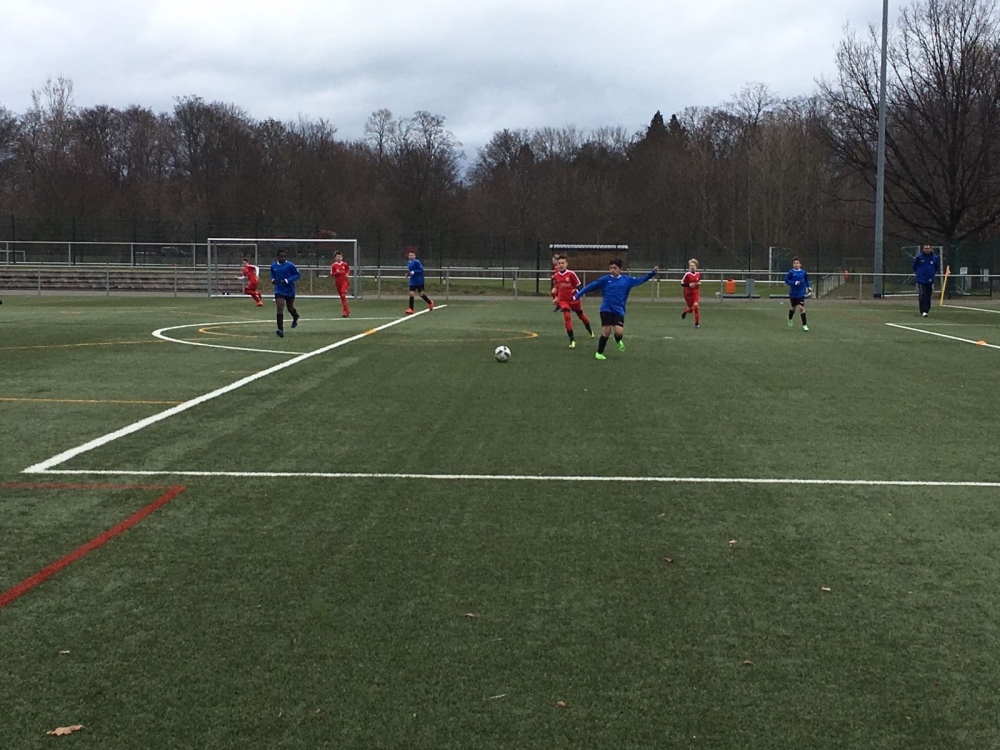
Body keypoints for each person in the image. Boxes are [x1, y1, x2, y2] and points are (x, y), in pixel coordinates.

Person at [573, 259, 658, 360]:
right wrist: (578, 295)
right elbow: (590, 286)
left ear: (620, 269)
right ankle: (599, 353)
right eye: (610, 268)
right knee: (606, 331)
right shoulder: (605, 280)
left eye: (615, 268)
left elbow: (641, 280)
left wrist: (652, 273)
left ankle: (618, 340)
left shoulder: (627, 280)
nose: (612, 270)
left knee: (619, 332)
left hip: (619, 310)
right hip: (606, 309)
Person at [551, 255, 594, 348]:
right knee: (567, 316)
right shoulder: (556, 276)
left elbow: (579, 285)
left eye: (563, 263)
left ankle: (590, 331)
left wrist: (576, 291)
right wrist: (555, 297)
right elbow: (557, 286)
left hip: (574, 299)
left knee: (581, 316)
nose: (561, 265)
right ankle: (572, 340)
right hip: (563, 300)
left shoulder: (571, 274)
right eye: (559, 263)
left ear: (566, 264)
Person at [270, 249, 301, 338]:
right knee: (280, 307)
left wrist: (287, 280)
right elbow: (272, 274)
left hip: (289, 290)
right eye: (281, 256)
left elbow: (297, 275)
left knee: (290, 308)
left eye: (284, 256)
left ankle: (295, 316)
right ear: (277, 257)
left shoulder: (290, 265)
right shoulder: (273, 266)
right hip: (279, 290)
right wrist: (273, 280)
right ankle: (280, 329)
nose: (283, 258)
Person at [913, 244, 940, 317]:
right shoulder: (919, 257)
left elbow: (936, 267)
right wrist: (919, 274)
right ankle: (923, 310)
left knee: (928, 295)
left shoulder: (934, 258)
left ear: (930, 249)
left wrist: (931, 273)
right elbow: (914, 266)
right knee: (923, 294)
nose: (926, 250)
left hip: (930, 279)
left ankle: (927, 309)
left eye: (927, 248)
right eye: (925, 248)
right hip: (921, 279)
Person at [784, 257, 811, 332]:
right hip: (793, 293)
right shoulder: (791, 272)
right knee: (793, 308)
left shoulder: (803, 272)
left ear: (800, 264)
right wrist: (794, 283)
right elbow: (786, 280)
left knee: (801, 308)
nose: (796, 264)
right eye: (794, 263)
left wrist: (809, 287)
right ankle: (790, 318)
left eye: (797, 263)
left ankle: (804, 325)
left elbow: (806, 280)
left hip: (801, 293)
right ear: (793, 265)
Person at [405, 248, 435, 314]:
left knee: (421, 294)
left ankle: (430, 302)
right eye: (410, 255)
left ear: (415, 256)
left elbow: (421, 270)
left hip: (419, 281)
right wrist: (408, 274)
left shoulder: (417, 262)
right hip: (412, 281)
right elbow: (411, 271)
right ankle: (411, 309)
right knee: (411, 294)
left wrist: (414, 272)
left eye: (412, 255)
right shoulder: (408, 263)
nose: (411, 256)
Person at [680, 258, 701, 328]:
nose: (692, 267)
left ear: (696, 267)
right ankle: (685, 311)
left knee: (696, 307)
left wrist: (698, 283)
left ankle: (697, 323)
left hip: (695, 293)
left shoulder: (698, 274)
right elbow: (682, 283)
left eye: (693, 266)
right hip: (688, 294)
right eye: (691, 266)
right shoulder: (687, 274)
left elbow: (698, 281)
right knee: (690, 309)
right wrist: (689, 285)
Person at [330, 251, 351, 318]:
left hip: (344, 282)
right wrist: (337, 272)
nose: (339, 258)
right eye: (337, 257)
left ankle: (345, 311)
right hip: (338, 283)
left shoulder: (344, 264)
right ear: (335, 258)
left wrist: (347, 274)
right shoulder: (334, 265)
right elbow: (332, 274)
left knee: (343, 295)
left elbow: (348, 269)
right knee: (342, 297)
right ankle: (346, 310)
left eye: (340, 257)